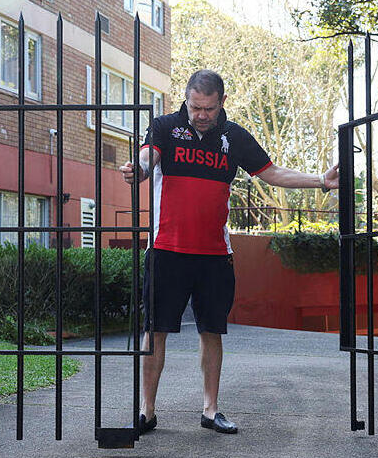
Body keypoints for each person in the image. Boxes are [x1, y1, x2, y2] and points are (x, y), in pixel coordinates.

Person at [119, 69, 339, 435]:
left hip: (213, 255)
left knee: (211, 331)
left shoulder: (234, 137)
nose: (200, 114)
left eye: (207, 108)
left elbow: (272, 174)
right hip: (166, 250)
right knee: (154, 330)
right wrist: (137, 171)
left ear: (221, 102)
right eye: (194, 107)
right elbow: (147, 158)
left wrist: (319, 180)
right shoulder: (164, 127)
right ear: (186, 101)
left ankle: (210, 410)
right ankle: (147, 412)